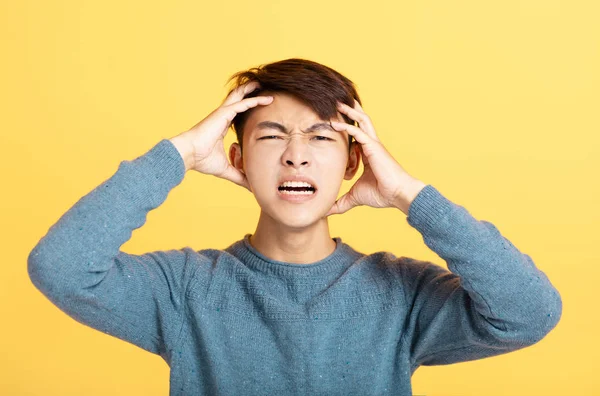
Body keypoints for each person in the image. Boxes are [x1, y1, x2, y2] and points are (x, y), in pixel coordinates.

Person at [28, 58, 562, 396]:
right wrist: (182, 153)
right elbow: (61, 267)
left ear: (354, 163)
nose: (296, 158)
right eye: (272, 137)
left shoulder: (401, 294)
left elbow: (529, 313)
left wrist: (408, 195)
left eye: (321, 138)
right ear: (236, 159)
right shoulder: (184, 289)